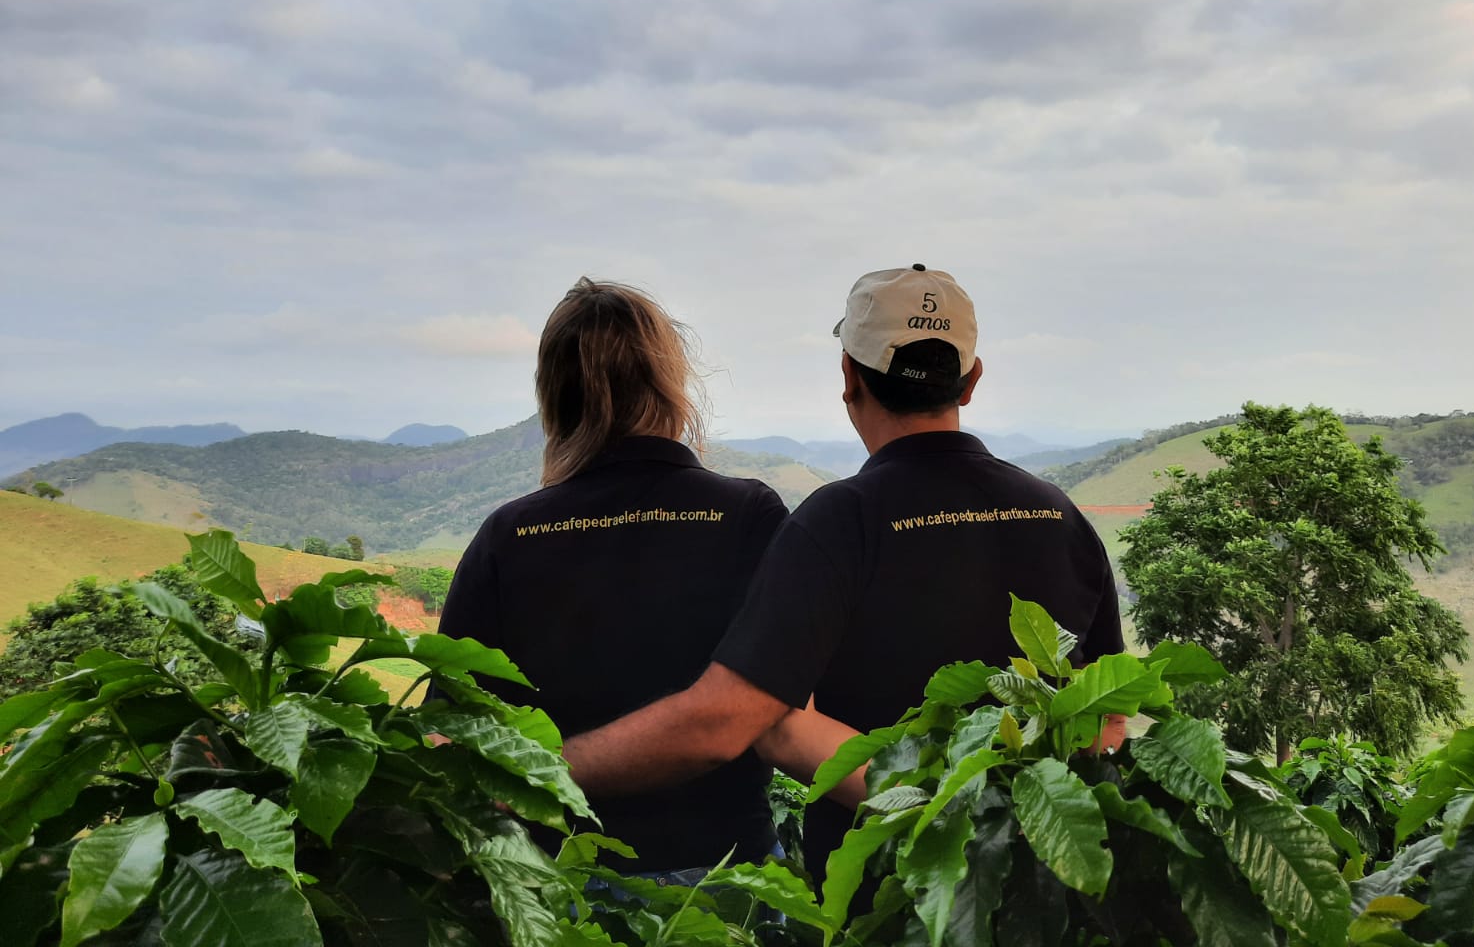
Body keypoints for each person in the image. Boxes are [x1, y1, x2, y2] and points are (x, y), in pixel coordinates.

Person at [563, 264, 1127, 876]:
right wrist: (1018, 814)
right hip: (1045, 882)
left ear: (849, 376)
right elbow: (1106, 713)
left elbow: (777, 729)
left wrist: (941, 805)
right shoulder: (1059, 513)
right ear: (970, 382)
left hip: (881, 895)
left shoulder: (838, 523)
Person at [433, 277, 792, 874]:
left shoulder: (509, 536)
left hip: (557, 886)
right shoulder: (749, 516)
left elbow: (449, 737)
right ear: (669, 384)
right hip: (726, 878)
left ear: (554, 394)